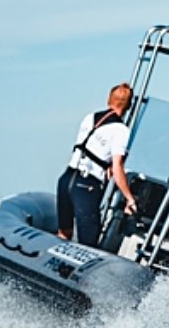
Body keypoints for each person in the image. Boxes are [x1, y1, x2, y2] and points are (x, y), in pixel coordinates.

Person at [57, 83, 139, 246]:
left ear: (109, 99)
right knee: (88, 242)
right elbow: (117, 167)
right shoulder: (120, 130)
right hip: (86, 186)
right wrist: (130, 199)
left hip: (67, 179)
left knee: (64, 232)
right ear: (129, 106)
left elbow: (93, 148)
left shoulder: (90, 117)